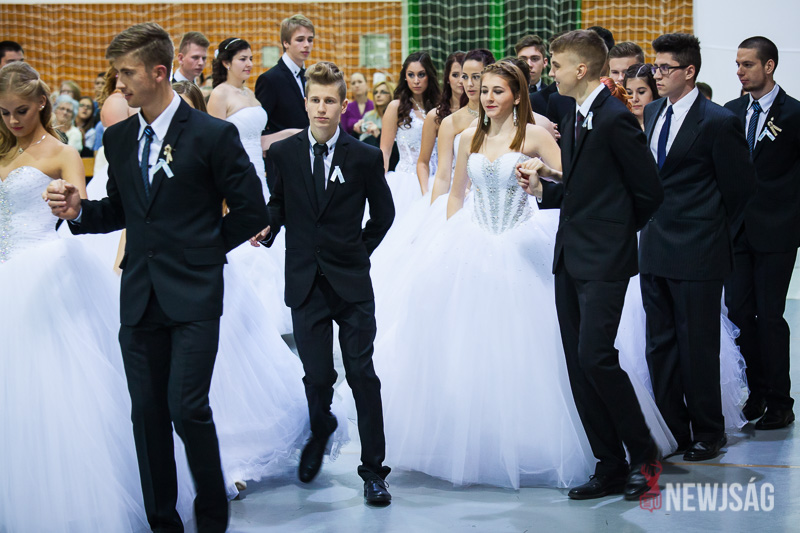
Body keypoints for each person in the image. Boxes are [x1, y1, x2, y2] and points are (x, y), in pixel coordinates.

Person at [368, 59, 673, 492]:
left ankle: (607, 453)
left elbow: (575, 180)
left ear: (516, 95)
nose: (487, 97)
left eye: (497, 90)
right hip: (471, 245)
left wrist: (542, 178)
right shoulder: (468, 136)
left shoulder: (534, 134)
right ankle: (484, 445)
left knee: (548, 351)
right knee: (466, 351)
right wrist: (445, 237)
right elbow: (456, 192)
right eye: (483, 90)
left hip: (523, 242)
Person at [45, 23, 269, 532]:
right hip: (139, 297)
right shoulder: (120, 138)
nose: (118, 82)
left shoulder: (212, 135)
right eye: (116, 73)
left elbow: (253, 211)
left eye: (127, 73)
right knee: (146, 417)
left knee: (188, 410)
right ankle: (162, 523)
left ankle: (211, 519)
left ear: (159, 72)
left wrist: (203, 252)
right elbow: (119, 211)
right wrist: (79, 211)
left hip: (194, 293)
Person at [0, 60, 153, 533]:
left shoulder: (63, 152)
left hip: (43, 268)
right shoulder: (2, 151)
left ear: (41, 103)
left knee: (51, 385)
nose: (13, 120)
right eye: (4, 112)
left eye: (21, 110)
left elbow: (79, 211)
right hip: (5, 269)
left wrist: (68, 200)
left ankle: (69, 495)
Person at [521, 29, 664, 501]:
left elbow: (648, 192)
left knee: (596, 357)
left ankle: (645, 458)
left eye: (556, 64)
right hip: (570, 255)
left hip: (603, 258)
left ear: (580, 69)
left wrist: (614, 234)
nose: (551, 72)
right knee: (578, 365)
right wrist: (546, 187)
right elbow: (584, 188)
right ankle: (609, 464)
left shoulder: (615, 119)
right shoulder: (576, 114)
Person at [258, 61, 395, 505]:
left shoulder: (364, 156)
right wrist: (268, 227)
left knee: (362, 374)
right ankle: (321, 427)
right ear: (305, 103)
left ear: (342, 105)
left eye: (330, 100)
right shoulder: (284, 154)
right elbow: (279, 204)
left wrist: (357, 251)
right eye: (315, 99)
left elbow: (384, 214)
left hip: (351, 284)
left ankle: (373, 471)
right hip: (305, 281)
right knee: (317, 376)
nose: (321, 108)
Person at [640, 33, 756, 461]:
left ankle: (708, 431)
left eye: (664, 68)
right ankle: (674, 429)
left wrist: (710, 232)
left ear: (689, 72)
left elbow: (740, 189)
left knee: (698, 346)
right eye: (655, 67)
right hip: (654, 246)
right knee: (660, 345)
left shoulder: (718, 120)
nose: (657, 75)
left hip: (699, 250)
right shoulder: (653, 111)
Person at [724, 36, 800, 430]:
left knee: (770, 316)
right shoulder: (731, 112)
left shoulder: (795, 114)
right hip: (736, 231)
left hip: (777, 232)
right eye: (738, 64)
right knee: (738, 314)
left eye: (748, 64)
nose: (740, 71)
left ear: (769, 66)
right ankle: (755, 393)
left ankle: (780, 402)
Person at [255, 14, 315, 191]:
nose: (307, 45)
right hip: (281, 163)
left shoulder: (310, 77)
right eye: (300, 39)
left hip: (309, 158)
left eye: (310, 39)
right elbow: (260, 124)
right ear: (286, 43)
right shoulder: (270, 79)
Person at [380, 51, 441, 213]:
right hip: (406, 181)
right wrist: (379, 182)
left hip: (438, 179)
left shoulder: (440, 107)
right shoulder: (396, 107)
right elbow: (385, 150)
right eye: (411, 75)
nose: (416, 80)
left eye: (421, 74)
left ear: (429, 75)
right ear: (405, 77)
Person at [416, 51, 464, 191]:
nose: (461, 81)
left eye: (465, 76)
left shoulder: (481, 114)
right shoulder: (435, 116)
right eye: (455, 75)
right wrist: (426, 193)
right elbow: (423, 162)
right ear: (447, 78)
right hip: (444, 186)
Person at [623, 63, 658, 129]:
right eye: (629, 93)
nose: (634, 99)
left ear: (654, 91)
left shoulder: (664, 123)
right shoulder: (620, 124)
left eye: (641, 92)